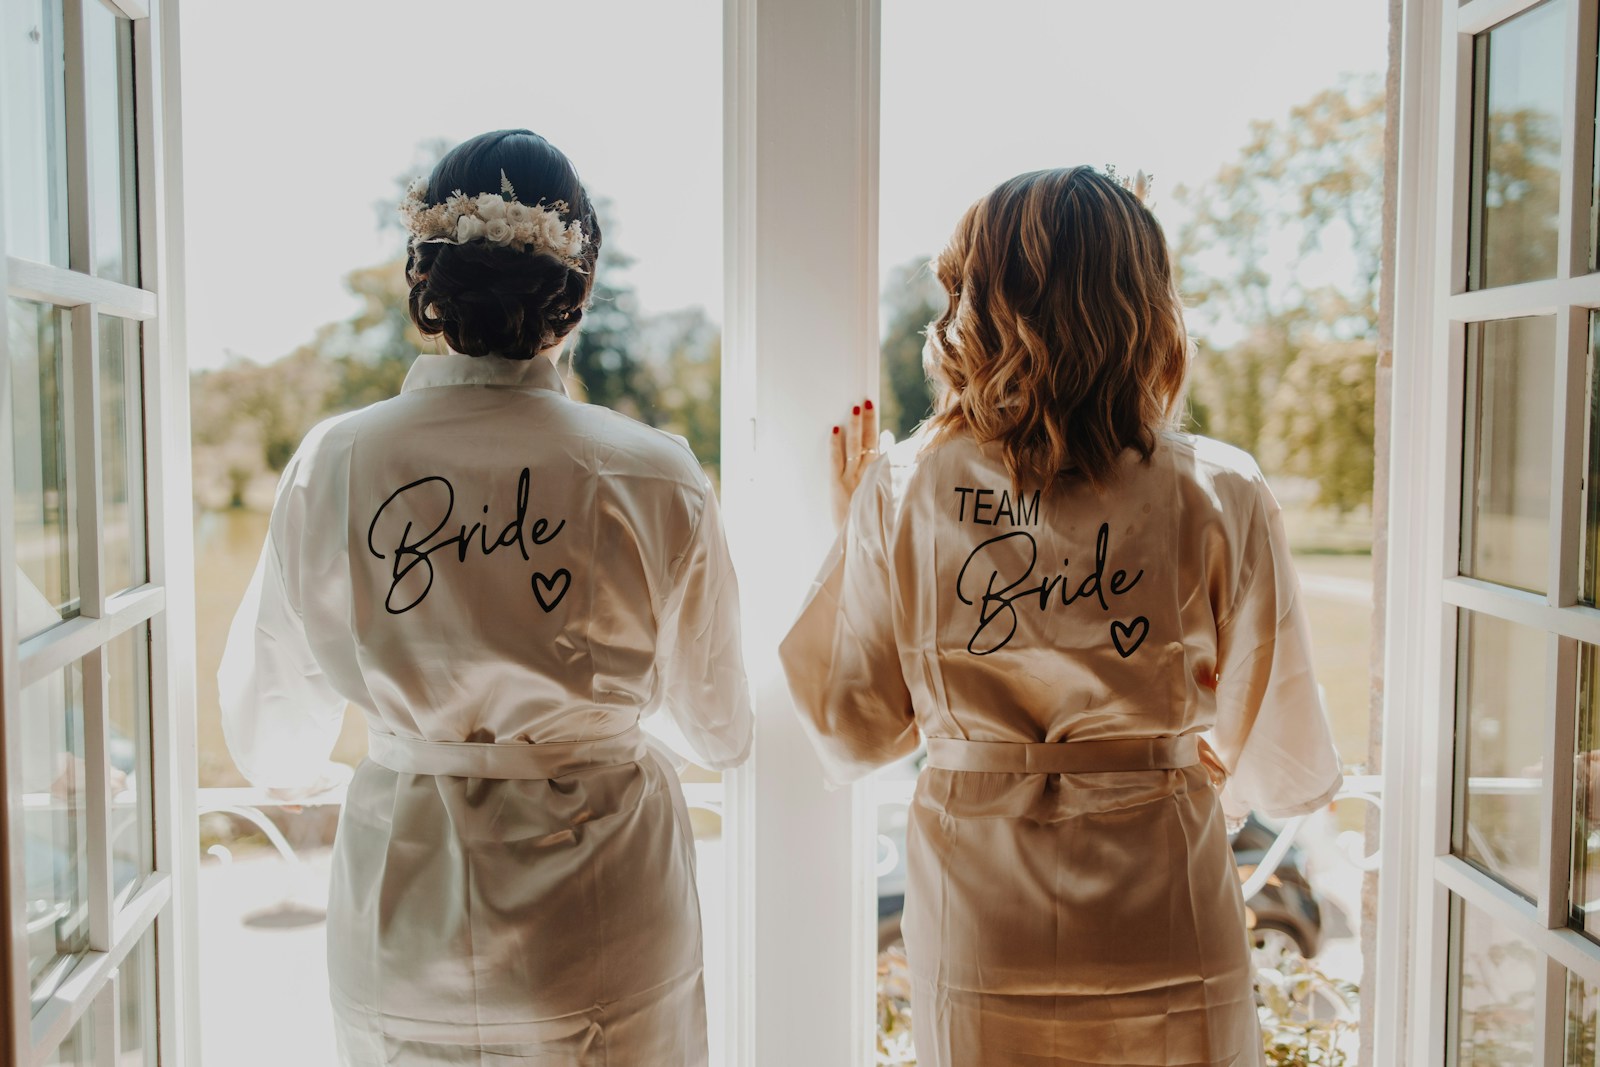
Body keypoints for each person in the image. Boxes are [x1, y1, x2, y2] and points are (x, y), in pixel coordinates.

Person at [780, 166, 1342, 1067]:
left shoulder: (905, 485)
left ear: (982, 307)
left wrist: (859, 526)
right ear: (1143, 306)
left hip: (977, 909)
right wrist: (1174, 752)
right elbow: (1277, 746)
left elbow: (856, 720)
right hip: (1162, 894)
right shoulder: (1220, 487)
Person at [219, 129, 752, 1067]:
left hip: (404, 920)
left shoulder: (338, 460)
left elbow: (272, 742)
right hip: (606, 920)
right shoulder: (655, 473)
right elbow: (721, 728)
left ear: (428, 281)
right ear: (574, 288)